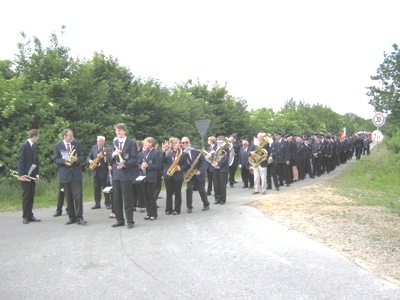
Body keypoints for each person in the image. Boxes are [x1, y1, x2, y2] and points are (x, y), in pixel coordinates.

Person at [53, 129, 87, 225]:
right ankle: (71, 217)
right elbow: (55, 159)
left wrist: (76, 159)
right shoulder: (58, 146)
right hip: (65, 174)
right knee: (68, 196)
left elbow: (82, 157)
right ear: (64, 136)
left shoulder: (76, 144)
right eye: (69, 136)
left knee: (78, 196)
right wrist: (65, 160)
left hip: (76, 174)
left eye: (72, 135)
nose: (71, 137)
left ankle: (79, 216)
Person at [109, 123, 138, 229]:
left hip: (126, 175)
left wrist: (124, 164)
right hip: (116, 175)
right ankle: (119, 220)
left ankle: (130, 221)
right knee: (116, 199)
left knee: (128, 199)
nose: (118, 132)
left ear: (124, 131)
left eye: (120, 130)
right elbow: (110, 159)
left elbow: (134, 159)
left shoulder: (131, 143)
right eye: (116, 130)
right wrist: (113, 154)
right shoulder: (114, 143)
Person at [181, 136, 210, 213]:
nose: (185, 144)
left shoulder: (196, 149)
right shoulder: (181, 152)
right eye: (183, 143)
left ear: (189, 142)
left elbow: (203, 162)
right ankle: (189, 207)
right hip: (189, 173)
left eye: (186, 142)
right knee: (189, 189)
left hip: (198, 172)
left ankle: (206, 204)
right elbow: (182, 164)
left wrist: (200, 171)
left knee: (201, 190)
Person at [18, 129, 41, 224]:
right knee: (26, 196)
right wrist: (21, 174)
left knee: (31, 196)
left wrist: (37, 175)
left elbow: (36, 162)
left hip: (32, 175)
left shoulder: (35, 147)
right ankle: (25, 216)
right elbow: (21, 161)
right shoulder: (24, 146)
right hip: (25, 175)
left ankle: (30, 215)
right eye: (38, 136)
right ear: (34, 136)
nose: (38, 138)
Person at [139, 137, 162, 221]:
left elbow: (159, 166)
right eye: (144, 142)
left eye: (146, 142)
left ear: (151, 143)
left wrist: (149, 166)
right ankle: (149, 213)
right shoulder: (142, 153)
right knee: (145, 196)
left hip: (151, 177)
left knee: (151, 196)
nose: (144, 144)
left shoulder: (155, 153)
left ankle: (154, 214)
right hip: (143, 177)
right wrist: (141, 166)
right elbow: (138, 162)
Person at [162, 138, 187, 214]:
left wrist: (181, 168)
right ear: (172, 144)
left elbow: (185, 164)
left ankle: (177, 209)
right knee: (169, 193)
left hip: (178, 175)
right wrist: (163, 151)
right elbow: (163, 161)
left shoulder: (182, 153)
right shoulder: (167, 152)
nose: (178, 144)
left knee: (177, 193)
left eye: (179, 143)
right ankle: (168, 209)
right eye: (176, 143)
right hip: (168, 175)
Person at [87, 136, 112, 209]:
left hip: (103, 170)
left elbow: (109, 158)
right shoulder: (94, 147)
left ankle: (108, 203)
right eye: (97, 141)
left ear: (103, 141)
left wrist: (103, 156)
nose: (98, 142)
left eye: (99, 141)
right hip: (96, 171)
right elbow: (89, 156)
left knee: (105, 187)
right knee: (96, 188)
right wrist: (90, 161)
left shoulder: (107, 147)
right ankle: (97, 203)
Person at [211, 135, 230, 204]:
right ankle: (217, 199)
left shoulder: (226, 148)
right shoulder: (215, 147)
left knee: (222, 185)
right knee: (216, 184)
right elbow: (213, 156)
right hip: (215, 169)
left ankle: (222, 199)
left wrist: (218, 164)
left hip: (222, 168)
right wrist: (213, 162)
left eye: (221, 141)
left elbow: (226, 160)